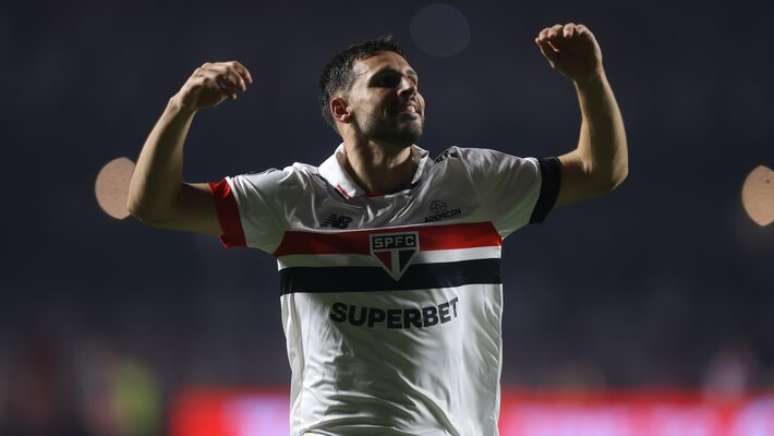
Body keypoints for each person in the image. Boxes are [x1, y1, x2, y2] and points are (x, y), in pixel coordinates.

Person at [127, 22, 628, 436]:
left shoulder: (473, 183)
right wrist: (182, 106)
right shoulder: (294, 197)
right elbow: (154, 204)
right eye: (386, 81)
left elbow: (600, 171)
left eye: (413, 80)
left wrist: (590, 79)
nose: (409, 88)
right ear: (342, 109)